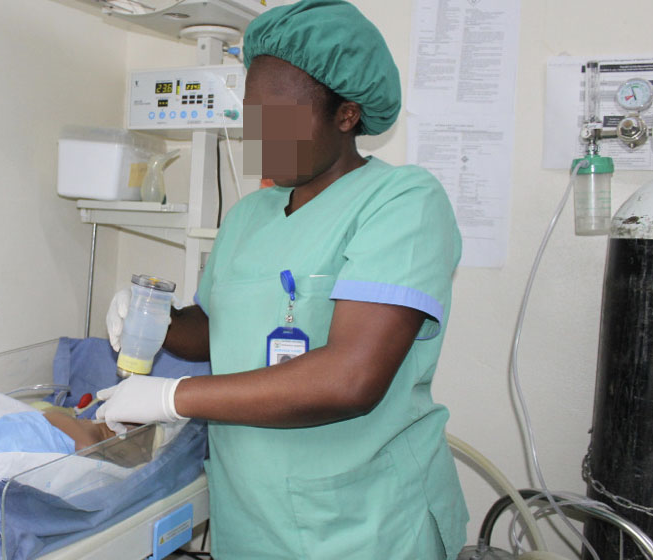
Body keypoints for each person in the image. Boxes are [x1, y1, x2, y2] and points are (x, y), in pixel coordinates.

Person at [96, 1, 468, 558]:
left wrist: (175, 396)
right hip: (252, 520)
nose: (258, 135)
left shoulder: (403, 202)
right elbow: (219, 324)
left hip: (364, 524)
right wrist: (156, 320)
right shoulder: (252, 214)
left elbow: (350, 379)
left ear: (346, 115)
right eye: (252, 114)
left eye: (280, 116)